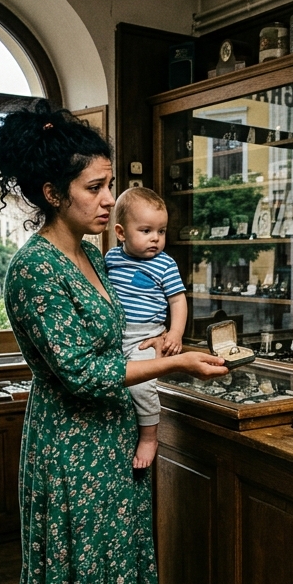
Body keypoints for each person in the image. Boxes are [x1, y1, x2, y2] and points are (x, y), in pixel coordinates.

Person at [0, 102, 227, 584]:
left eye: (109, 184)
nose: (107, 200)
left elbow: (115, 341)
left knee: (102, 564)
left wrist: (160, 343)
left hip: (108, 443)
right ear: (51, 193)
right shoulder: (34, 267)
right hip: (68, 447)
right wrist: (173, 363)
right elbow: (82, 372)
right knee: (73, 568)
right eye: (94, 187)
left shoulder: (88, 257)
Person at [104, 187, 188, 470]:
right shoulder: (110, 259)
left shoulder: (165, 264)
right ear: (121, 232)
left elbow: (177, 301)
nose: (155, 238)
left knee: (142, 387)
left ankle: (150, 436)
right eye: (146, 230)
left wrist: (174, 333)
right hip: (115, 337)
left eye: (161, 231)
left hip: (144, 337)